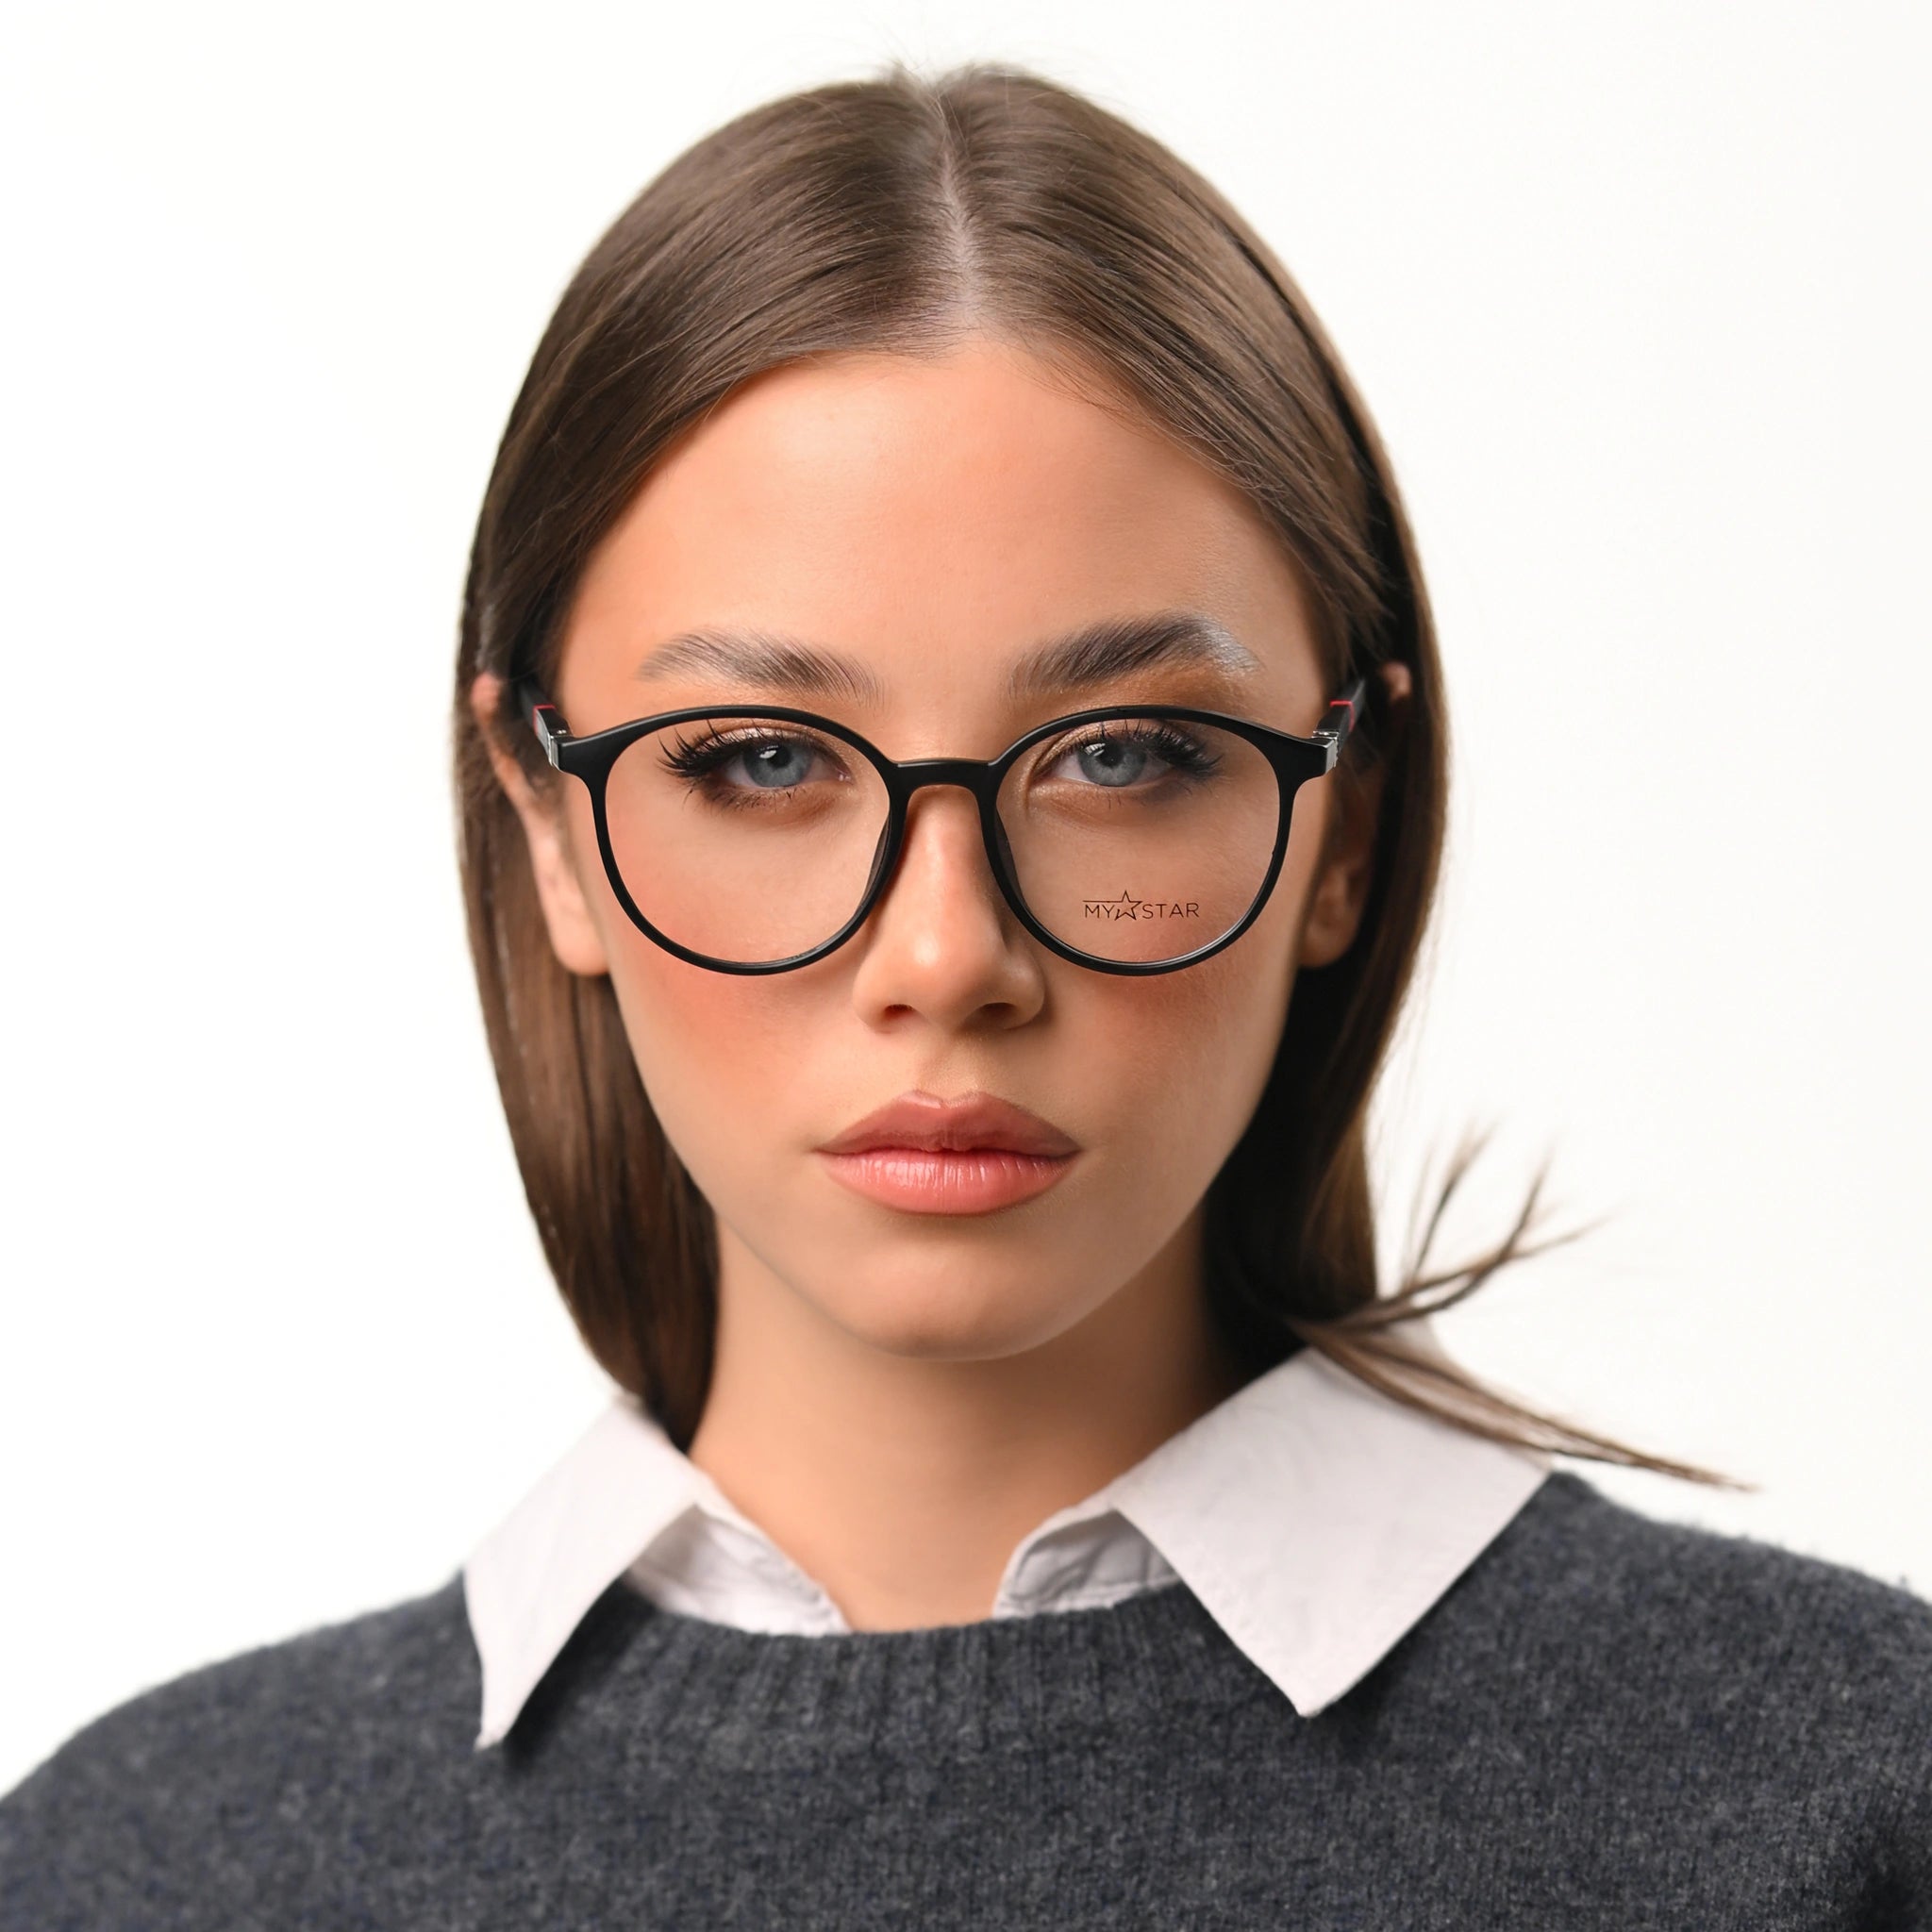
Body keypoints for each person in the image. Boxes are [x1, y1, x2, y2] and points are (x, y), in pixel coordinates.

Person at [3, 58, 1926, 1930]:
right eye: (758, 759)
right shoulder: (132, 1874)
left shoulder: (1839, 1801)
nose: (945, 960)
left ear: (1343, 825)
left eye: (1124, 753)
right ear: (551, 829)